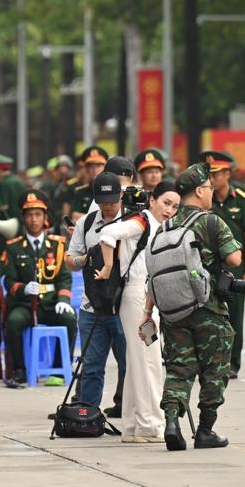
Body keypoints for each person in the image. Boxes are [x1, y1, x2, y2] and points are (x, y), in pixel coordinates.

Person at [142, 163, 241, 451]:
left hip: (173, 311)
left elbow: (155, 271)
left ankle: (172, 423)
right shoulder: (211, 222)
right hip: (208, 309)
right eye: (209, 187)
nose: (211, 192)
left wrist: (148, 313)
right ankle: (206, 430)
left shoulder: (166, 226)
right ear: (199, 191)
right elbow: (234, 259)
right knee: (215, 370)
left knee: (178, 368)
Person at [98, 181, 177, 441]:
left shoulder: (156, 225)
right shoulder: (141, 221)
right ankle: (150, 425)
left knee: (138, 362)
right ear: (152, 200)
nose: (169, 210)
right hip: (138, 297)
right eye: (166, 203)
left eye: (175, 206)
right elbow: (107, 233)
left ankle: (132, 427)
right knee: (148, 361)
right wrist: (108, 267)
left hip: (146, 296)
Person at [64, 173, 127, 413]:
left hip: (124, 307)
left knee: (129, 365)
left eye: (112, 201)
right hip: (92, 306)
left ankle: (130, 411)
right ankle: (87, 415)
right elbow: (69, 260)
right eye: (103, 201)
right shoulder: (86, 223)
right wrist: (83, 259)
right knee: (91, 366)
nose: (108, 206)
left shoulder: (133, 220)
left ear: (121, 196)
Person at [0, 191, 76, 388]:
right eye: (29, 215)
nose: (33, 219)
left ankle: (59, 369)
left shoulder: (57, 245)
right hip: (25, 304)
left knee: (69, 318)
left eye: (37, 214)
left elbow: (64, 278)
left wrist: (63, 300)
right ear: (23, 218)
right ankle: (19, 370)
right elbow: (9, 281)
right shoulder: (13, 247)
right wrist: (23, 289)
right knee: (13, 322)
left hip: (50, 303)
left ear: (45, 217)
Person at [200, 151, 245, 378]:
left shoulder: (242, 199)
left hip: (235, 267)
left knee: (234, 317)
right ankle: (212, 361)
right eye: (210, 175)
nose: (212, 179)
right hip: (209, 267)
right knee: (209, 316)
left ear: (227, 174)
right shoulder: (205, 199)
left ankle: (233, 363)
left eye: (216, 174)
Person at [67, 146, 109, 225]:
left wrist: (85, 217)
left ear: (105, 167)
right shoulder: (80, 192)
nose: (94, 170)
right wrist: (100, 218)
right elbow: (75, 217)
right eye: (90, 166)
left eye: (98, 165)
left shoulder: (111, 189)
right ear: (86, 169)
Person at [0, 153, 27, 224]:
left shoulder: (3, 184)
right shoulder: (20, 181)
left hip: (7, 223)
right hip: (21, 221)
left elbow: (3, 206)